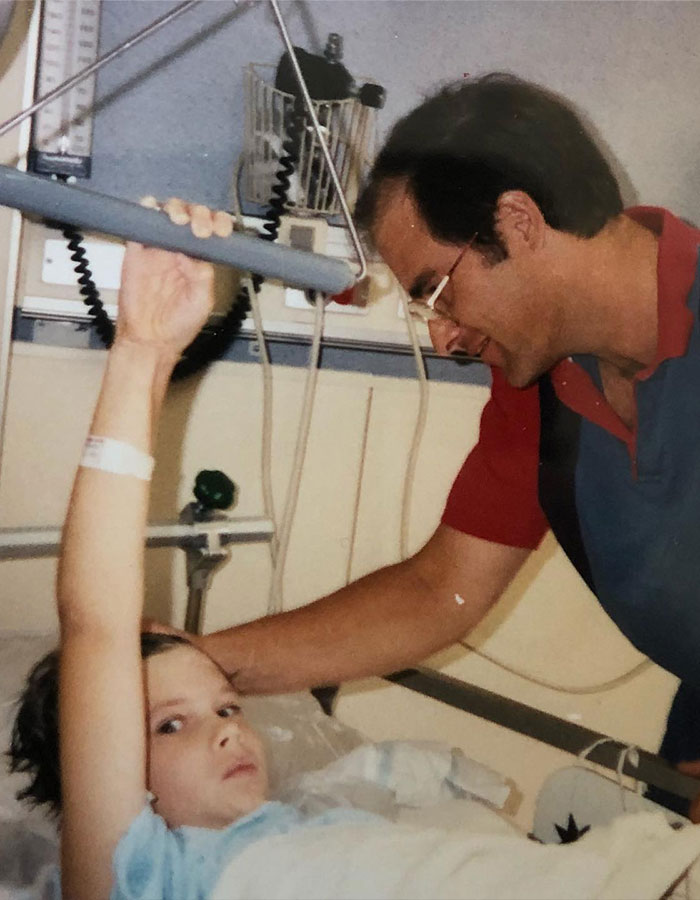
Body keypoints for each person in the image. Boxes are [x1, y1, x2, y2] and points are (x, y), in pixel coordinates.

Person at [8, 222, 385, 900]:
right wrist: (143, 352)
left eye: (228, 709)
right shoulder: (144, 873)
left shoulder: (327, 828)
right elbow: (95, 621)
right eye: (170, 723)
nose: (226, 735)